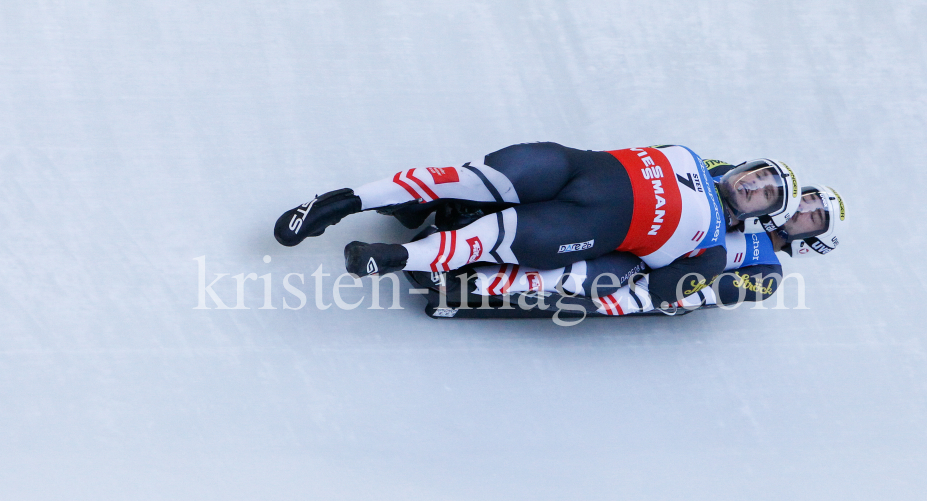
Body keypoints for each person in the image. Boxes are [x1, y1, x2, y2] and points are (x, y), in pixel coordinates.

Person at [273, 142, 802, 305]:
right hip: (569, 167)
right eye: (759, 175)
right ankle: (339, 203)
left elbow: (664, 288)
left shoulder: (710, 247)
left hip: (586, 224)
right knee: (476, 179)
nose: (755, 185)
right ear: (743, 166)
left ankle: (393, 258)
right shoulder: (687, 151)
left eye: (766, 195)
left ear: (759, 216)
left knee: (500, 234)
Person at [406, 184, 848, 316]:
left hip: (651, 269)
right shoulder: (754, 194)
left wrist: (652, 288)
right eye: (807, 200)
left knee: (595, 278)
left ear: (809, 243)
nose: (804, 209)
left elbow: (700, 291)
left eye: (814, 217)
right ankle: (456, 201)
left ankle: (469, 283)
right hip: (646, 226)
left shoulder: (767, 272)